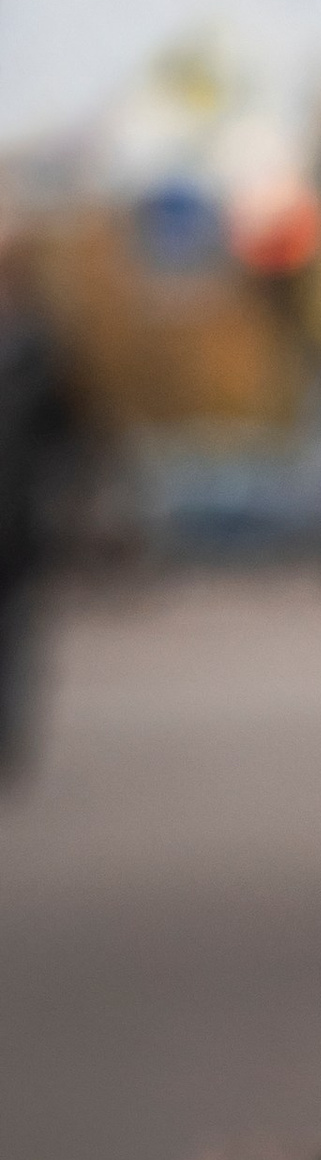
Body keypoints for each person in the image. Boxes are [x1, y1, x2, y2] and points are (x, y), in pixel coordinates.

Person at [0, 229, 93, 781]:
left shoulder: (39, 351)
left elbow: (69, 432)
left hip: (16, 518)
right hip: (19, 512)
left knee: (14, 631)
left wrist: (64, 495)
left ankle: (7, 732)